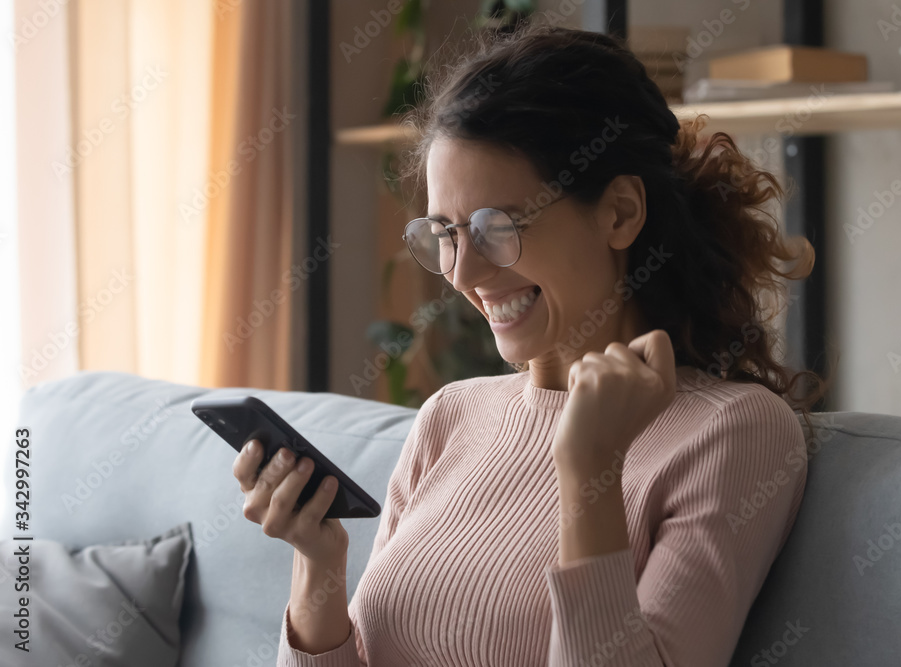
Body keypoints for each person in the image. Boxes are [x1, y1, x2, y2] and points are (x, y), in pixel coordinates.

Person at [234, 22, 827, 667]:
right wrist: (319, 568)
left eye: (497, 226)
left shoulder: (733, 432)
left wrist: (590, 470)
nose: (462, 274)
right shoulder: (451, 416)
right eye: (445, 233)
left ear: (620, 213)